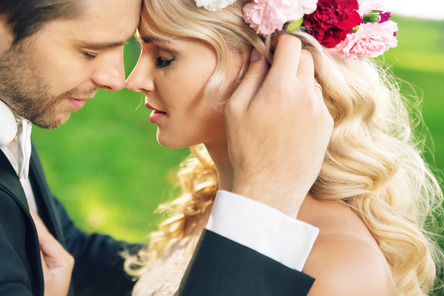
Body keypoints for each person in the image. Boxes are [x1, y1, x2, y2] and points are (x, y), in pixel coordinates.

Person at [0, 0, 333, 295]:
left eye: (162, 58)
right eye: (88, 51)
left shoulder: (336, 268)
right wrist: (261, 204)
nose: (120, 79)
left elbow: (61, 250)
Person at [123, 0, 444, 295]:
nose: (133, 79)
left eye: (164, 59)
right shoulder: (217, 198)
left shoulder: (339, 270)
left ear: (270, 64)